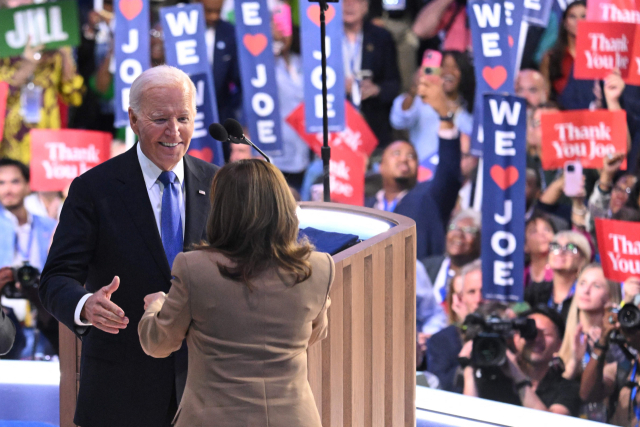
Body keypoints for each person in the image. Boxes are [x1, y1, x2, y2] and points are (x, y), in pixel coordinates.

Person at [38, 66, 219, 427]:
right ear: (134, 120)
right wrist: (85, 305)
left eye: (183, 118)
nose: (174, 131)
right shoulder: (93, 189)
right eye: (160, 118)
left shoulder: (219, 185)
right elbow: (56, 278)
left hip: (206, 392)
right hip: (120, 391)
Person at [138, 159, 334, 427]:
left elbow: (159, 344)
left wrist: (155, 306)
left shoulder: (194, 268)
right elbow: (314, 333)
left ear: (222, 210)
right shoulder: (319, 268)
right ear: (284, 206)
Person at [367, 74, 462, 259]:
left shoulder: (428, 198)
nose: (404, 159)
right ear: (380, 166)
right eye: (396, 154)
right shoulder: (366, 205)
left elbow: (449, 173)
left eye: (412, 156)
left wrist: (445, 116)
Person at [0, 0, 84, 163]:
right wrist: (28, 65)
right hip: (8, 141)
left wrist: (66, 55)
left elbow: (74, 97)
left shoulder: (55, 44)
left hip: (47, 140)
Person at [461, 305, 581, 416]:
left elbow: (551, 424)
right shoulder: (494, 378)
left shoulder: (567, 388)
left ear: (558, 345)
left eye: (545, 334)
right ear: (516, 338)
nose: (536, 338)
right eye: (530, 332)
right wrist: (469, 367)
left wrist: (518, 377)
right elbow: (467, 418)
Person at [0, 158, 57, 355]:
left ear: (28, 186)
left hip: (44, 311)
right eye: (1, 182)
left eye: (15, 181)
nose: (8, 189)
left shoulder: (50, 226)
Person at [390, 50, 474, 162]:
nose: (449, 72)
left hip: (455, 172)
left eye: (455, 67)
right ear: (435, 71)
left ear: (463, 72)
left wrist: (453, 111)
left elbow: (475, 138)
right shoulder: (421, 100)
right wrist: (413, 90)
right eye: (443, 66)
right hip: (423, 172)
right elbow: (398, 121)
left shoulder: (469, 105)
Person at [342, 0, 401, 147]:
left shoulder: (382, 37)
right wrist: (335, 87)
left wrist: (376, 89)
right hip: (335, 129)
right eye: (343, 0)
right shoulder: (322, 37)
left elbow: (394, 84)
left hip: (373, 127)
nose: (349, 5)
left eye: (356, 1)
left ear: (366, 6)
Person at [268, 5, 309, 192]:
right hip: (275, 149)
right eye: (276, 29)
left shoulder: (301, 61)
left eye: (285, 30)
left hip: (304, 147)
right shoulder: (263, 66)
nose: (281, 35)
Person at [425, 259, 482, 392]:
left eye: (484, 291)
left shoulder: (510, 334)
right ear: (460, 298)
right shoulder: (441, 341)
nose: (478, 299)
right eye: (471, 292)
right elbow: (442, 389)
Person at [525, 231, 591, 324]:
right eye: (555, 246)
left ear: (582, 259)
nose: (560, 252)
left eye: (570, 248)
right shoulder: (535, 291)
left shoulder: (587, 295)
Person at [421, 209, 481, 306]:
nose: (458, 234)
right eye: (453, 227)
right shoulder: (424, 268)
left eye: (469, 230)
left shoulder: (482, 277)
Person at [540, 1, 592, 110]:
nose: (578, 21)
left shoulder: (600, 57)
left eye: (584, 16)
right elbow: (545, 96)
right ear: (564, 23)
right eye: (572, 16)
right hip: (561, 119)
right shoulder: (551, 58)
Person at [199, 0, 241, 123]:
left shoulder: (229, 32)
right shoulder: (179, 28)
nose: (214, 16)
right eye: (209, 11)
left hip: (221, 114)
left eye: (218, 11)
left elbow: (238, 77)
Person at [524, 211, 556, 287]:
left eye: (547, 229)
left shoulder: (561, 271)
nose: (542, 234)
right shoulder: (518, 275)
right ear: (525, 246)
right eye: (534, 231)